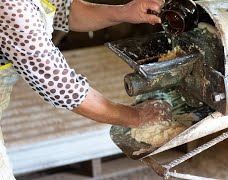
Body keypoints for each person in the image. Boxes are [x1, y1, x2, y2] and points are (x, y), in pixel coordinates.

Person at [0, 0, 171, 179]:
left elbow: (65, 10)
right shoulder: (11, 7)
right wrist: (137, 117)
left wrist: (124, 12)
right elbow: (61, 86)